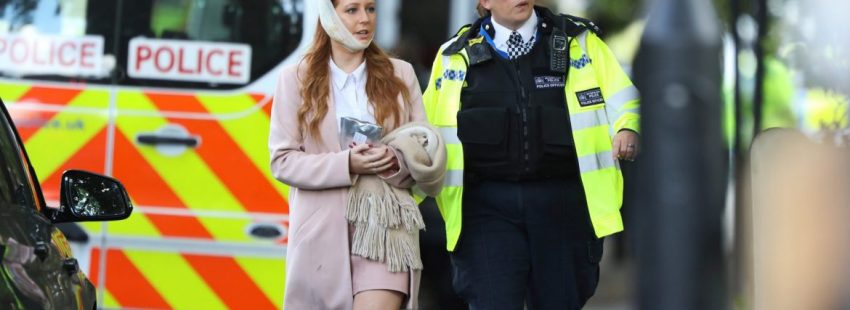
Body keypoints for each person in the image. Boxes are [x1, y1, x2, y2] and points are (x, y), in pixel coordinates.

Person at [422, 1, 640, 309]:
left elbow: (626, 99)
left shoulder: (578, 41)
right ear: (484, 2)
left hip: (563, 205)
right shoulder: (453, 57)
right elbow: (425, 136)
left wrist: (627, 129)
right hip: (485, 210)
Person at [268, 0, 427, 309]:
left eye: (371, 9)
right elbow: (282, 161)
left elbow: (422, 152)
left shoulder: (401, 74)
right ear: (329, 16)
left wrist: (394, 161)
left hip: (384, 229)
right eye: (352, 10)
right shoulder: (294, 79)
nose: (364, 19)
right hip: (322, 233)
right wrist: (347, 163)